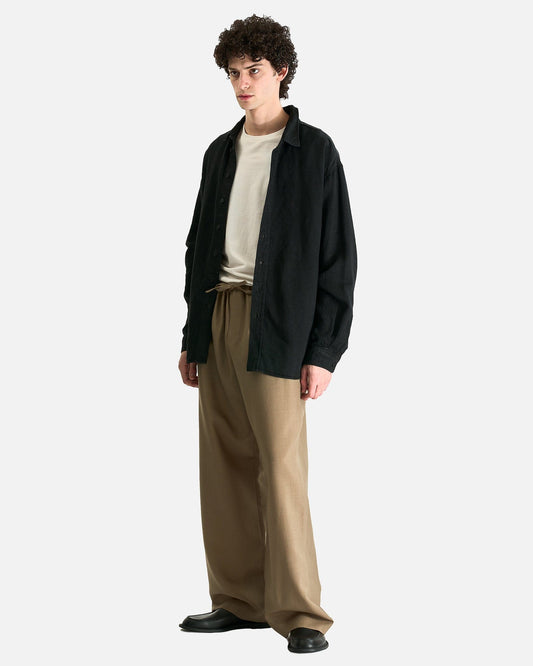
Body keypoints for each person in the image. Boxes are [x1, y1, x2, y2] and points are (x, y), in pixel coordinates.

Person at [177, 14, 357, 654]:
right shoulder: (219, 152)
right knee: (223, 467)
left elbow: (338, 258)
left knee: (280, 469)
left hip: (278, 323)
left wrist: (324, 350)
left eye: (253, 70)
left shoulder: (314, 152)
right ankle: (238, 600)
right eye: (233, 73)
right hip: (219, 315)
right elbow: (198, 247)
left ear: (281, 71)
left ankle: (301, 612)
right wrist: (192, 335)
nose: (242, 84)